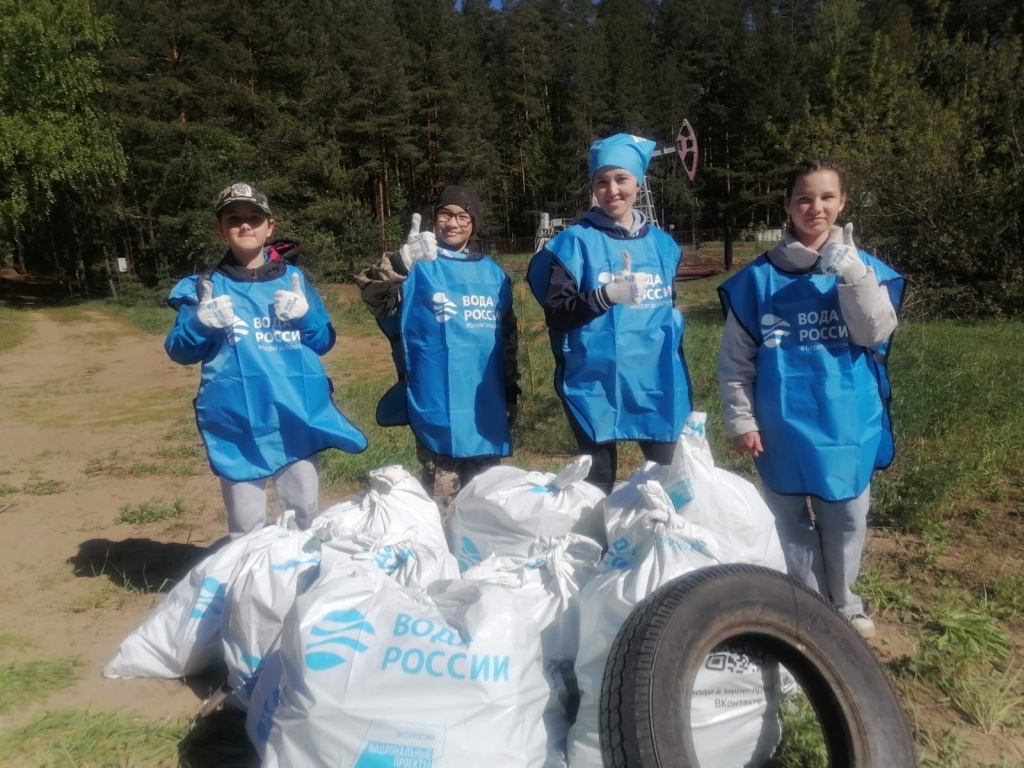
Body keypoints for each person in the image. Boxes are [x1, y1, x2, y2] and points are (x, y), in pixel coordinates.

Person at [717, 159, 905, 638]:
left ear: (842, 203)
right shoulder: (756, 282)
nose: (814, 207)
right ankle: (805, 603)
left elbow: (876, 331)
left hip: (847, 419)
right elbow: (736, 361)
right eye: (803, 198)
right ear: (787, 206)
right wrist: (742, 420)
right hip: (781, 424)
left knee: (846, 515)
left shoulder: (865, 270)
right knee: (789, 519)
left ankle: (843, 603)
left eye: (826, 197)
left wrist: (855, 275)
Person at [165, 182, 367, 538]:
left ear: (269, 226)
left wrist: (306, 317)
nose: (245, 225)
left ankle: (303, 586)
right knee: (246, 525)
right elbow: (179, 351)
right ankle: (249, 592)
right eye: (234, 219)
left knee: (304, 516)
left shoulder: (294, 280)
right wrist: (200, 322)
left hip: (296, 417)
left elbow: (323, 341)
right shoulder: (203, 287)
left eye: (254, 217)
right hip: (237, 423)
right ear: (220, 228)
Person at [527, 133, 693, 494]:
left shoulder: (663, 245)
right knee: (597, 482)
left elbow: (668, 308)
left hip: (655, 381)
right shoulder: (573, 243)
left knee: (669, 480)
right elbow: (557, 314)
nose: (612, 190)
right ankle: (599, 548)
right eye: (602, 182)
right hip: (594, 383)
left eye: (621, 179)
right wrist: (605, 296)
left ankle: (663, 548)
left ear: (639, 182)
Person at [355, 185, 519, 510]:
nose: (453, 223)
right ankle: (443, 556)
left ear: (474, 222)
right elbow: (374, 298)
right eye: (445, 213)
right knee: (443, 500)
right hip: (436, 402)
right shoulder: (418, 263)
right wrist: (401, 262)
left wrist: (512, 389)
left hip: (484, 403)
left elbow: (508, 339)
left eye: (462, 215)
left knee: (485, 500)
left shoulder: (492, 273)